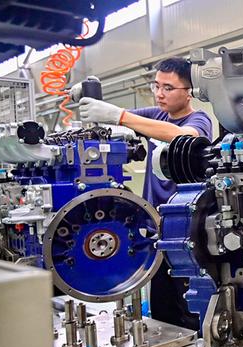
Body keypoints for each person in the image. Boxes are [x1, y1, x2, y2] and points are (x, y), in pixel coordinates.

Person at [76, 57, 212, 331]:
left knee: (188, 305)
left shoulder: (200, 120)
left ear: (189, 92)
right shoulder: (156, 114)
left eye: (169, 88)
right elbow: (119, 118)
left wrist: (120, 116)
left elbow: (179, 135)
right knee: (162, 304)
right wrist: (87, 100)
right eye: (156, 85)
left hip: (187, 228)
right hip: (154, 226)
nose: (160, 93)